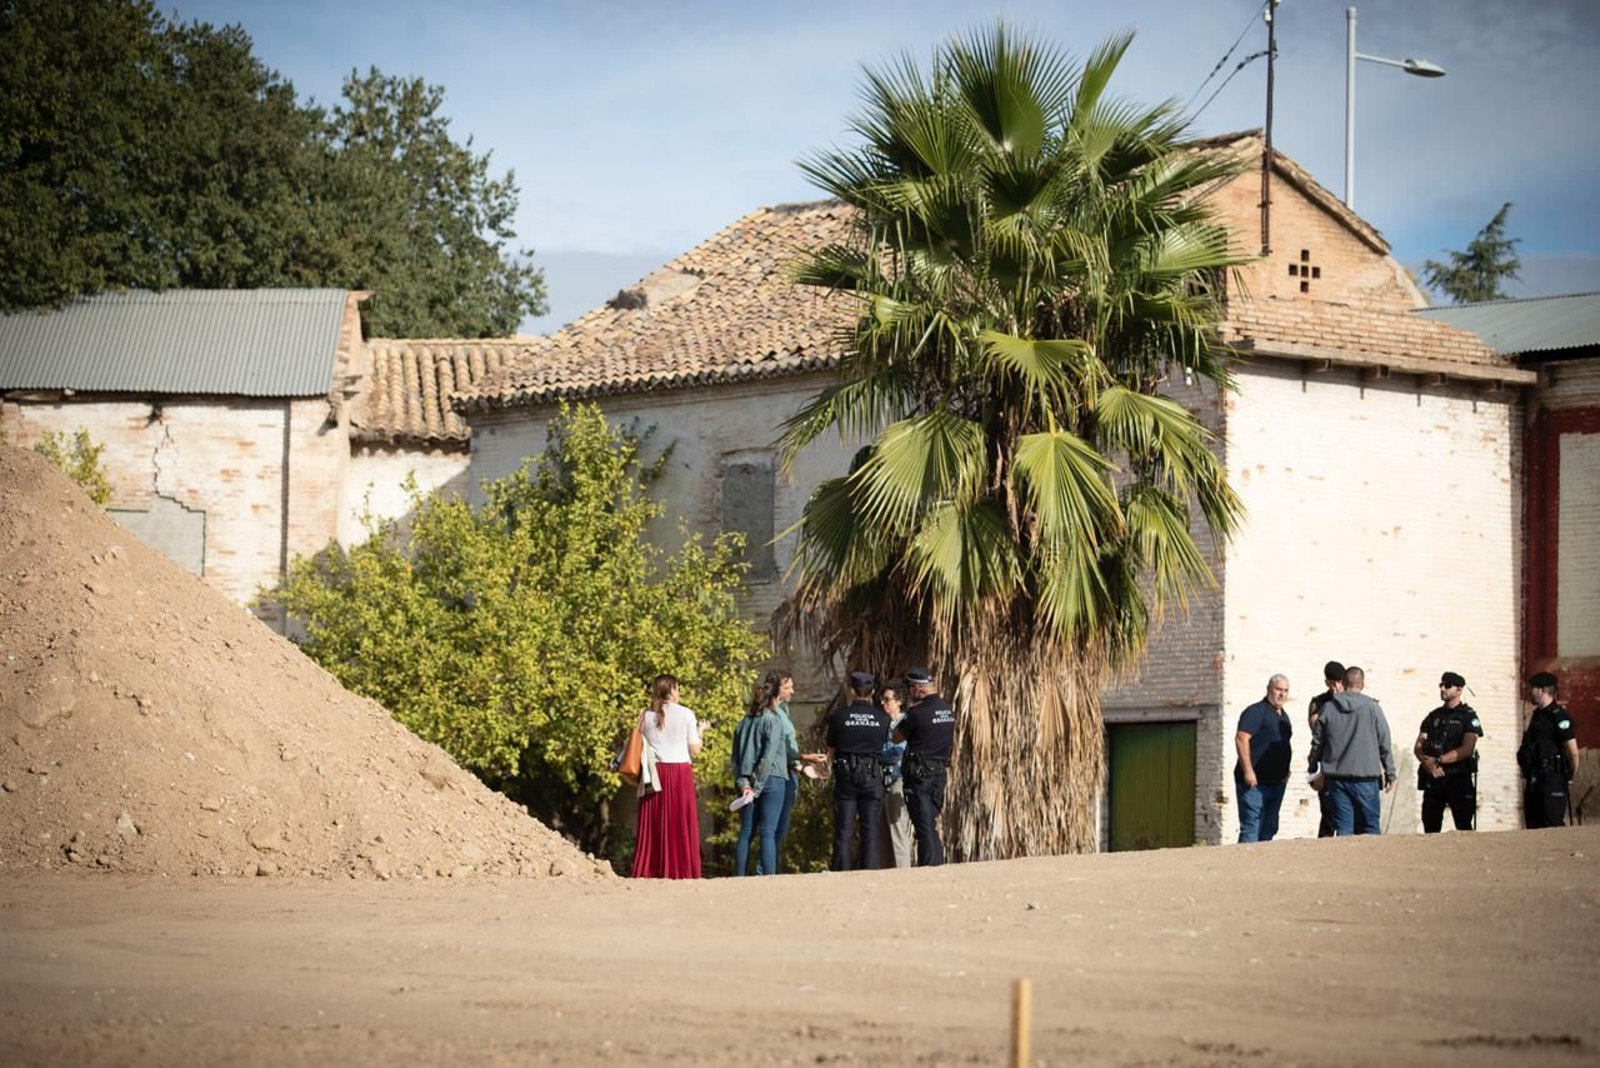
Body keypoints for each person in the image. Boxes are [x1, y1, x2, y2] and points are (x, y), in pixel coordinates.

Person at [1307, 665, 1396, 835]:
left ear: (1344, 682)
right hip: (1366, 779)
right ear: (1362, 684)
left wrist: (1313, 768)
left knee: (1343, 830)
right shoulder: (1372, 708)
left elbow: (1317, 742)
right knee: (1370, 828)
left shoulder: (1328, 708)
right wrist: (1390, 771)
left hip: (1337, 780)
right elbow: (1384, 741)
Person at [632, 674, 705, 879]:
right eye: (677, 688)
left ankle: (650, 869)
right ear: (672, 690)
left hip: (656, 774)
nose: (679, 692)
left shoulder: (646, 716)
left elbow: (635, 744)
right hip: (680, 773)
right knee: (680, 822)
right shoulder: (687, 714)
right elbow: (695, 750)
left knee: (654, 822)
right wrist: (701, 731)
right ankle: (681, 870)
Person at [825, 671, 892, 871]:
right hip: (872, 775)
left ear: (852, 691)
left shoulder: (838, 717)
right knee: (870, 831)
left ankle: (841, 871)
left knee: (844, 830)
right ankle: (869, 871)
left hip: (846, 777)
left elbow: (830, 749)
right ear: (872, 692)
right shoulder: (883, 719)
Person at [733, 672, 793, 876]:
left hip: (746, 782)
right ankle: (769, 878)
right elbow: (768, 757)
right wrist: (757, 787)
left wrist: (744, 783)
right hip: (772, 779)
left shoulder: (743, 723)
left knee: (746, 832)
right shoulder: (773, 720)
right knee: (768, 832)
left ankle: (739, 876)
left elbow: (736, 759)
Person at [896, 666, 956, 866]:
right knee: (930, 822)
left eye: (910, 688)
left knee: (923, 825)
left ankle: (929, 866)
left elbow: (896, 737)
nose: (910, 692)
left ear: (917, 688)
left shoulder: (916, 713)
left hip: (919, 775)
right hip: (939, 773)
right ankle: (936, 863)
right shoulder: (947, 709)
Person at [1414, 671, 1482, 833]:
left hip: (1458, 778)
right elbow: (1419, 746)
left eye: (1447, 686)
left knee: (1464, 826)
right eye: (1441, 685)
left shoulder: (1468, 716)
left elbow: (1467, 749)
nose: (1442, 689)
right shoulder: (1433, 716)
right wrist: (1427, 763)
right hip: (1434, 778)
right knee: (1430, 827)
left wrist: (1439, 760)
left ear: (1459, 689)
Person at [1517, 671, 1580, 829]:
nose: (1530, 692)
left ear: (1542, 690)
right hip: (1534, 778)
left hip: (1552, 779)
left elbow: (1573, 753)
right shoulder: (1537, 716)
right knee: (1533, 827)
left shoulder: (1559, 716)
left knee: (1552, 825)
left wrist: (1569, 776)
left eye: (1532, 689)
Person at [1235, 675, 1293, 843]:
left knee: (1270, 827)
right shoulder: (1256, 712)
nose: (1282, 694)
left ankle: (1262, 860)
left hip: (1277, 782)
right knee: (1252, 826)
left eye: (1285, 690)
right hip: (1254, 784)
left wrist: (1286, 771)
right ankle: (1246, 858)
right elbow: (1241, 738)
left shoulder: (1284, 717)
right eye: (1278, 689)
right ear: (1269, 689)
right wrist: (1248, 771)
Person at [1307, 660, 1345, 838]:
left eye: (1340, 681)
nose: (1337, 686)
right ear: (1327, 683)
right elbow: (1316, 729)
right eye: (1333, 682)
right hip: (1327, 764)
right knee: (1328, 814)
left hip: (1349, 765)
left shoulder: (1354, 701)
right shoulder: (1319, 702)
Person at [878, 680, 913, 869]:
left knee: (898, 831)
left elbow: (897, 752)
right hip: (881, 782)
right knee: (882, 834)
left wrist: (876, 755)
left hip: (898, 780)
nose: (883, 703)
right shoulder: (883, 724)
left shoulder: (905, 723)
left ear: (899, 701)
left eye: (887, 699)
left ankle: (903, 871)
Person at [770, 671, 800, 873]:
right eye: (788, 687)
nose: (793, 691)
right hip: (781, 773)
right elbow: (782, 748)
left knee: (780, 830)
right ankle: (766, 871)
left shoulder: (784, 710)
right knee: (773, 829)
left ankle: (772, 869)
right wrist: (801, 762)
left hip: (790, 772)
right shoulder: (773, 714)